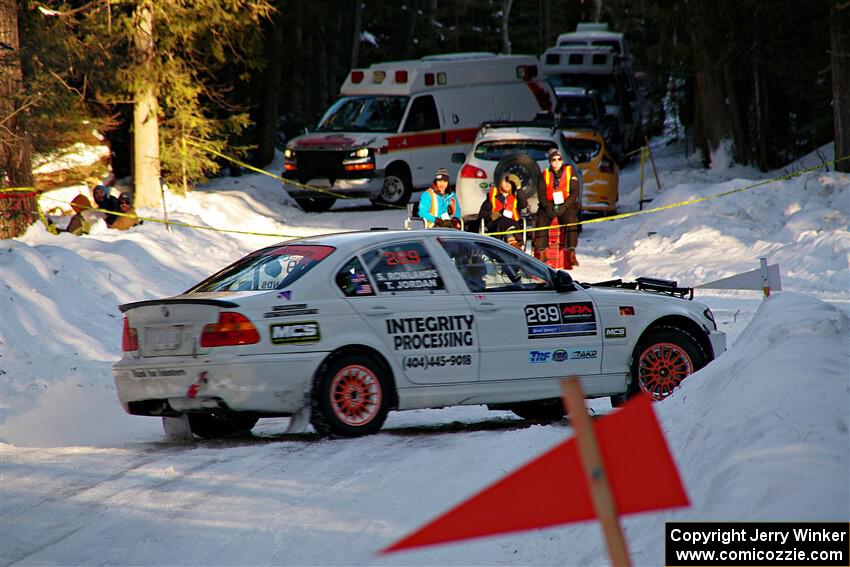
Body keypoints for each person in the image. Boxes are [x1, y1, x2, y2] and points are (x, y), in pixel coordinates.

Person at [533, 148, 581, 266]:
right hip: (548, 204)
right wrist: (549, 207)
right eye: (553, 159)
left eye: (559, 159)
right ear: (550, 161)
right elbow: (541, 194)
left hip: (566, 204)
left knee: (571, 220)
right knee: (541, 220)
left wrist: (564, 207)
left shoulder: (570, 172)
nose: (557, 161)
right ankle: (542, 250)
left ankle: (571, 251)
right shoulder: (544, 175)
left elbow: (574, 193)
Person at [478, 172, 528, 249]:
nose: (507, 184)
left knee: (507, 220)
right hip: (496, 226)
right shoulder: (492, 196)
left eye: (510, 182)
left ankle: (512, 242)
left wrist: (519, 188)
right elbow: (482, 214)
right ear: (500, 182)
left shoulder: (515, 196)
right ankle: (513, 243)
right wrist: (492, 215)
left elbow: (524, 204)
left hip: (513, 224)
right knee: (503, 219)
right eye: (505, 181)